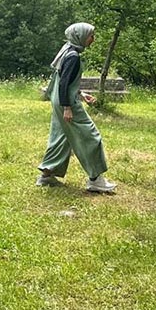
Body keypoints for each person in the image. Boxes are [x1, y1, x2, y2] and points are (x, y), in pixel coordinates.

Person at [37, 22, 116, 194]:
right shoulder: (73, 56)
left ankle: (46, 175)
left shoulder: (66, 50)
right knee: (91, 137)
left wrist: (81, 94)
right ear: (80, 36)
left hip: (59, 100)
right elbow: (64, 82)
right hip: (66, 103)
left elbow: (65, 81)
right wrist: (68, 107)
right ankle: (95, 180)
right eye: (91, 36)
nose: (93, 39)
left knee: (61, 137)